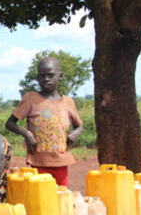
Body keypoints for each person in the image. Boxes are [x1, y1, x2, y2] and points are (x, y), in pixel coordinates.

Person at [5, 57, 83, 186]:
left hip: (61, 161)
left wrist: (75, 133)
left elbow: (79, 126)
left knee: (61, 196)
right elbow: (10, 123)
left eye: (50, 75)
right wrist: (27, 134)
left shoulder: (68, 102)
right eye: (42, 76)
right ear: (37, 78)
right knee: (41, 196)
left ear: (60, 76)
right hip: (38, 161)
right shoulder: (31, 99)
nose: (46, 79)